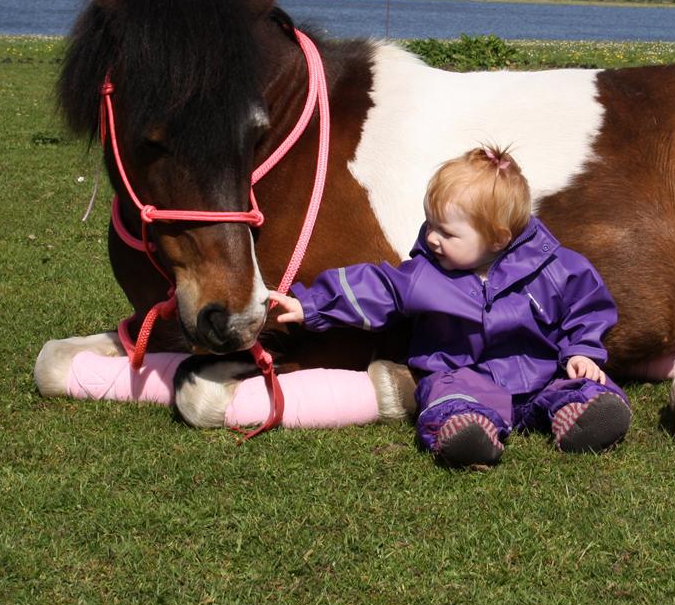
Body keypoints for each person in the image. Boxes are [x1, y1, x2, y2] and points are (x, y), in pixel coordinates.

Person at [270, 145, 631, 467]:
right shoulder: (424, 276)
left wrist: (582, 351)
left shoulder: (553, 267)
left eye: (447, 232)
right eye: (431, 224)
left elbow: (587, 308)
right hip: (464, 376)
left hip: (542, 373)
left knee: (579, 386)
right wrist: (312, 304)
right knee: (447, 397)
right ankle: (468, 433)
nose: (431, 237)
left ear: (498, 238)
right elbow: (376, 288)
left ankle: (582, 415)